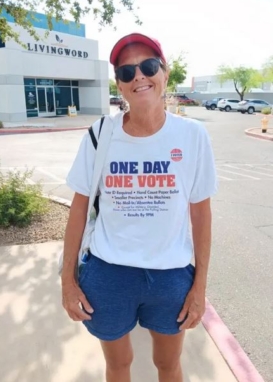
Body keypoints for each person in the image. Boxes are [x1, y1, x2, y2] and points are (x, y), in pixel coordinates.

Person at [61, 33, 217, 382]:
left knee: (168, 365)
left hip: (171, 276)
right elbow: (79, 209)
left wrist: (199, 286)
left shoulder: (192, 136)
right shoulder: (100, 135)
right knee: (118, 365)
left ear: (165, 72)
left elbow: (201, 214)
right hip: (108, 274)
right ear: (118, 82)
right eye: (126, 72)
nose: (139, 77)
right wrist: (67, 282)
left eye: (148, 66)